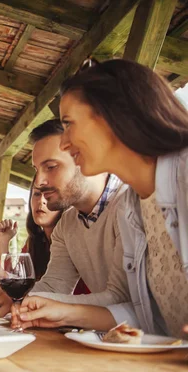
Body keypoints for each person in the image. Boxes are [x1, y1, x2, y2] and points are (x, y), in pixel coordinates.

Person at [16, 59, 188, 338]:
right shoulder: (133, 207)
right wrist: (56, 310)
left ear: (113, 116)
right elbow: (145, 313)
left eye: (69, 124)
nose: (64, 143)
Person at [0, 119, 130, 315]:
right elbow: (54, 288)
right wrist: (8, 291)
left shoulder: (131, 206)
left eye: (51, 167)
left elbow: (122, 299)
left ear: (86, 157)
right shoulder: (67, 224)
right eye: (37, 170)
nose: (39, 182)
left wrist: (22, 300)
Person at [0, 182, 90, 293]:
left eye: (48, 194)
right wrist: (2, 242)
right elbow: (17, 285)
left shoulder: (78, 243)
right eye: (37, 194)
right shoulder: (35, 243)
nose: (41, 201)